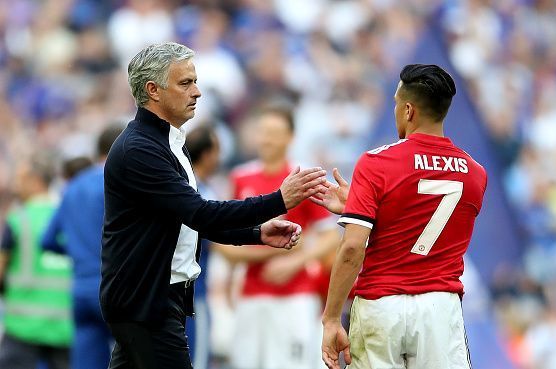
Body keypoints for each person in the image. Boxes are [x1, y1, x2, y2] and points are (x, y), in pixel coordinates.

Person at [100, 42, 327, 369]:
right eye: (185, 83)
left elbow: (197, 220)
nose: (197, 92)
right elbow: (201, 212)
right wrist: (279, 200)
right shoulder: (140, 149)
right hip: (146, 303)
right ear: (153, 91)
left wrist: (256, 233)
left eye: (194, 81)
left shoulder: (168, 143)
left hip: (150, 299)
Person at [312, 64, 488, 369]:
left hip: (382, 306)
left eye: (395, 103)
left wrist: (330, 318)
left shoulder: (376, 162)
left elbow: (353, 247)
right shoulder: (475, 173)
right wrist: (360, 205)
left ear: (408, 110)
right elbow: (425, 216)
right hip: (439, 310)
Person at [216, 103, 340, 369]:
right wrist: (280, 250)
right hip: (250, 294)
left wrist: (296, 261)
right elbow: (221, 239)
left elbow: (332, 236)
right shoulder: (240, 177)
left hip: (295, 295)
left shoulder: (302, 177)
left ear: (290, 137)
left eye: (274, 132)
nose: (267, 139)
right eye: (263, 131)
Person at [42, 124, 124, 369]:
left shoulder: (73, 187)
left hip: (80, 291)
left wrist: (79, 255)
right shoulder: (118, 183)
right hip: (114, 289)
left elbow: (47, 240)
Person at [0, 154, 73, 369]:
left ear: (35, 180)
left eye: (21, 179)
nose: (17, 186)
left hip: (23, 327)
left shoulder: (18, 219)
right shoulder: (67, 216)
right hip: (64, 327)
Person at [184, 124, 221, 368]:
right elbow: (223, 244)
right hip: (194, 296)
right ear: (207, 154)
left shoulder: (178, 184)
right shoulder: (202, 193)